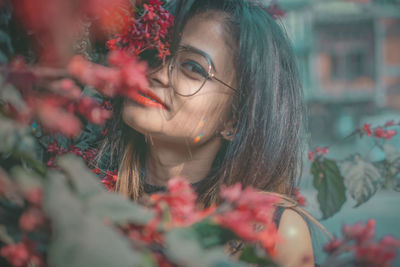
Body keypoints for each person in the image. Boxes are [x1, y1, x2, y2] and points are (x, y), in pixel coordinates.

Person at [98, 0, 329, 266]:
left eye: (193, 67)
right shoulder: (81, 195)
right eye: (154, 53)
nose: (158, 73)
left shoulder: (273, 234)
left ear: (235, 118)